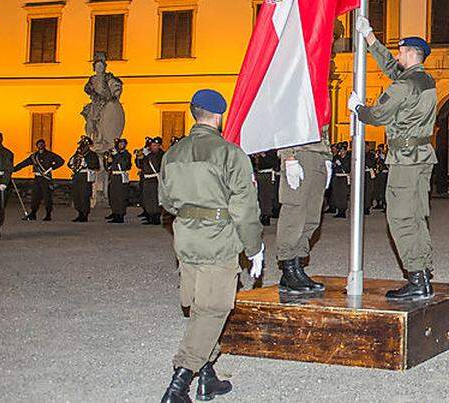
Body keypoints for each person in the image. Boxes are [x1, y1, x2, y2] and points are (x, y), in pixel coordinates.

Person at [158, 89, 263, 403]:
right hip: (218, 237)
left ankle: (207, 377)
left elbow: (165, 201)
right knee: (214, 308)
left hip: (187, 237)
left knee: (198, 304)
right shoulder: (229, 154)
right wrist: (254, 247)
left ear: (194, 113)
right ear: (219, 115)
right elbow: (244, 208)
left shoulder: (171, 154)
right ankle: (179, 382)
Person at [349, 21, 438, 301]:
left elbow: (379, 115)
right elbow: (393, 70)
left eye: (400, 53)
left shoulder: (404, 87)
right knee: (417, 216)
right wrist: (371, 38)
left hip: (405, 159)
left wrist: (359, 109)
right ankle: (422, 274)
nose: (397, 57)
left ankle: (415, 276)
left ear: (410, 54)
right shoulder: (424, 80)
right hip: (422, 156)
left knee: (400, 218)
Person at [275, 132, 332, 300]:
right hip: (299, 154)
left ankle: (298, 266)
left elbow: (323, 127)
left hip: (319, 154)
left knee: (311, 216)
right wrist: (288, 156)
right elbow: (284, 122)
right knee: (294, 213)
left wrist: (327, 155)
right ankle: (288, 268)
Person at [15, 139, 64, 221]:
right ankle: (33, 213)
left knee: (47, 196)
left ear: (45, 145)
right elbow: (24, 163)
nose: (40, 146)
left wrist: (52, 167)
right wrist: (14, 169)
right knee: (35, 196)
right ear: (36, 146)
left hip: (46, 178)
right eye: (39, 144)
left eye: (42, 144)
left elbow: (60, 161)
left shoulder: (50, 155)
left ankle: (48, 214)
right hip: (37, 178)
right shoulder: (34, 157)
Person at [68, 137, 99, 222]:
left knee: (84, 196)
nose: (82, 146)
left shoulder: (92, 154)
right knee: (77, 195)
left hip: (85, 176)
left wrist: (85, 161)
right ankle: (79, 213)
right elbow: (69, 163)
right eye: (81, 145)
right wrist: (75, 161)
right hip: (77, 175)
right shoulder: (77, 154)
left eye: (84, 145)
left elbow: (96, 166)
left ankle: (85, 214)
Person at [135, 137, 165, 225]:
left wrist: (148, 156)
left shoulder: (161, 154)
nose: (153, 147)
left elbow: (156, 166)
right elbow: (140, 165)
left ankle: (156, 218)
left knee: (154, 199)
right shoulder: (149, 154)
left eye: (155, 145)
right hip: (147, 179)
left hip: (155, 179)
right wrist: (139, 158)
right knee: (147, 199)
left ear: (159, 146)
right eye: (152, 145)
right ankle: (150, 216)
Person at [104, 138, 133, 223]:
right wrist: (108, 161)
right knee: (113, 196)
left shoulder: (126, 154)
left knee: (120, 196)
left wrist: (116, 155)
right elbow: (108, 167)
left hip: (121, 177)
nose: (121, 146)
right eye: (120, 144)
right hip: (113, 176)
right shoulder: (114, 154)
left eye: (123, 144)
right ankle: (115, 212)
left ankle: (120, 215)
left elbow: (125, 165)